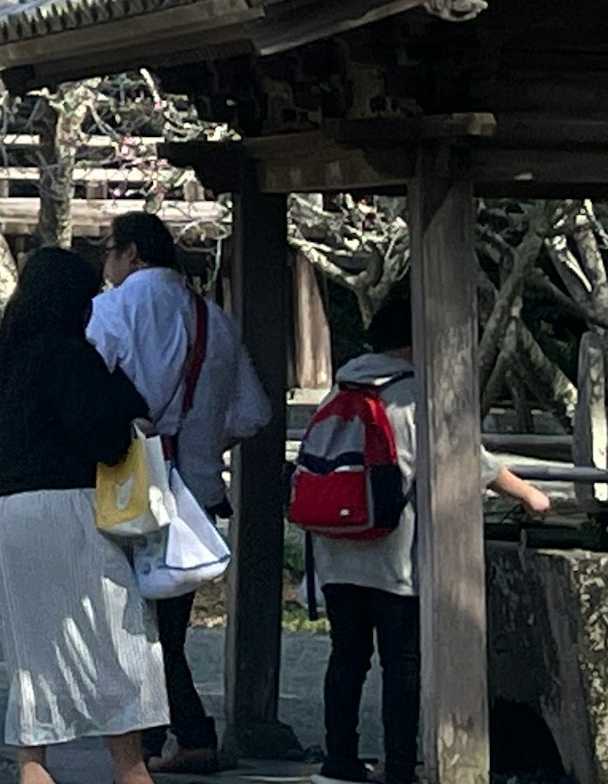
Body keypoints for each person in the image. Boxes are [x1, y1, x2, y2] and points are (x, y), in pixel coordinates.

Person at [308, 281, 554, 784]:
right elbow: (471, 460)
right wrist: (531, 496)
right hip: (395, 553)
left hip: (336, 549)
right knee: (402, 663)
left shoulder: (339, 389)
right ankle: (401, 767)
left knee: (347, 657)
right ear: (417, 339)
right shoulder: (415, 395)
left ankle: (340, 760)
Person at [89, 212, 274, 775]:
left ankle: (152, 742)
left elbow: (91, 386)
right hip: (191, 492)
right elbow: (253, 412)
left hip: (125, 485)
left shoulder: (114, 308)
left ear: (132, 255)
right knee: (168, 626)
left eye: (110, 251)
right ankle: (183, 735)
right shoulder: (214, 319)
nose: (107, 264)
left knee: (128, 625)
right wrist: (199, 440)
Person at [0, 242, 165, 784]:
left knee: (31, 644)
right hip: (70, 507)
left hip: (9, 510)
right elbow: (109, 439)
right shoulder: (70, 354)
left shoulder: (4, 360)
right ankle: (130, 767)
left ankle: (32, 766)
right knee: (116, 635)